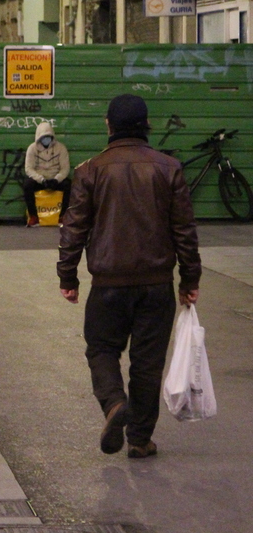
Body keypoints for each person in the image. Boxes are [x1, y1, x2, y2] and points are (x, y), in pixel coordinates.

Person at [58, 94, 201, 459]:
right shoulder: (169, 168)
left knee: (102, 349)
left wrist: (68, 277)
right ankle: (139, 439)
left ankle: (113, 403)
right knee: (147, 363)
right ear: (146, 125)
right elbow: (184, 230)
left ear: (109, 125)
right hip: (156, 284)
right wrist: (189, 280)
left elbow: (74, 229)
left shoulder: (90, 170)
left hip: (108, 284)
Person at [22, 121, 72, 226]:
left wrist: (57, 179)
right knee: (27, 185)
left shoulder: (61, 148)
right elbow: (29, 169)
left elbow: (65, 168)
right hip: (39, 180)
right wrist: (41, 180)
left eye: (48, 136)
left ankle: (63, 217)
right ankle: (33, 217)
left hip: (55, 179)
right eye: (43, 137)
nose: (46, 139)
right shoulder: (32, 149)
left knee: (69, 185)